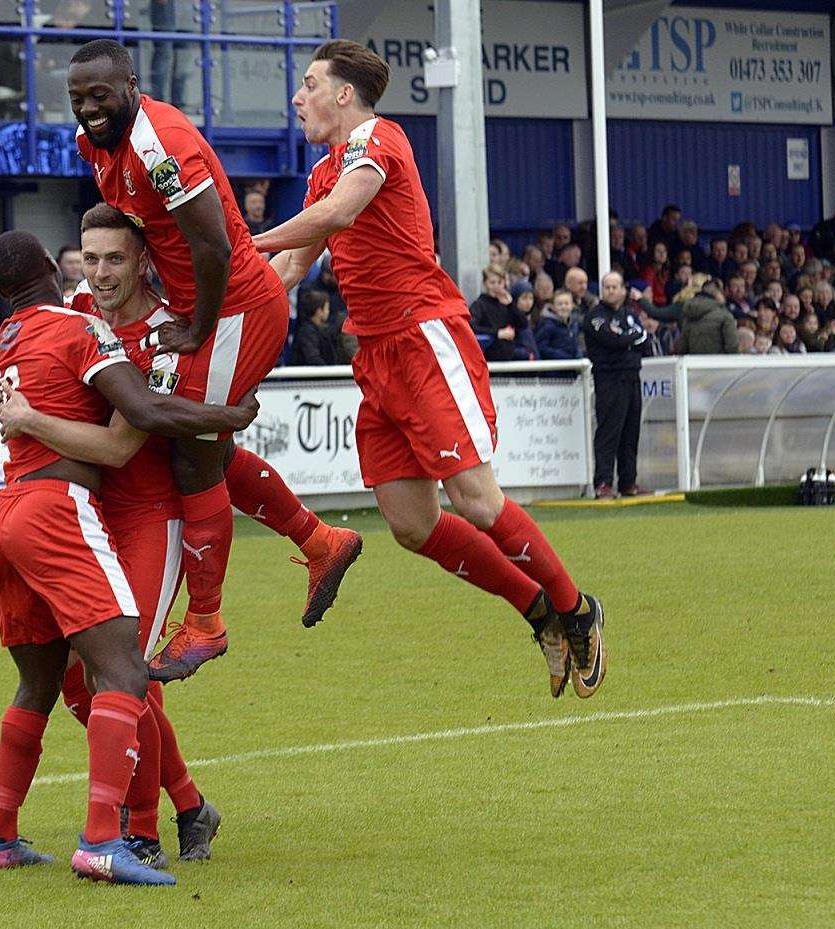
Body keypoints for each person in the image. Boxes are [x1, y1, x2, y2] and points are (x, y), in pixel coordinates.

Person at [257, 40, 606, 700]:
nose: (298, 98)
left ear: (343, 93)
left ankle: (578, 609)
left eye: (308, 85)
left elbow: (340, 214)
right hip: (377, 358)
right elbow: (289, 270)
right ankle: (538, 611)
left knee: (475, 499)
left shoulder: (377, 139)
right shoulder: (321, 173)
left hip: (424, 340)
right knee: (412, 525)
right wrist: (227, 308)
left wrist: (244, 241)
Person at [0, 230, 256, 885]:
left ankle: (0, 835)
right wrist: (227, 413)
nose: (97, 271)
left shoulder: (8, 339)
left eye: (110, 258)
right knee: (126, 670)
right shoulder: (80, 327)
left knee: (45, 682)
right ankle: (111, 837)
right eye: (87, 259)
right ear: (57, 266)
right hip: (60, 509)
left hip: (7, 511)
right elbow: (139, 415)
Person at [70, 40, 358, 681]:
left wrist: (196, 326)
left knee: (193, 456)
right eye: (78, 99)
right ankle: (320, 541)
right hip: (210, 309)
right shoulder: (101, 144)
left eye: (100, 96)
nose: (89, 109)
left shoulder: (160, 145)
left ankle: (206, 624)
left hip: (232, 311)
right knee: (213, 450)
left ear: (132, 86)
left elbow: (217, 245)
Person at [585, 272, 649, 500]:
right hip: (609, 379)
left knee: (631, 431)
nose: (611, 291)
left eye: (615, 287)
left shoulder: (629, 314)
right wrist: (631, 338)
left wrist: (629, 338)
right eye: (607, 287)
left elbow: (646, 342)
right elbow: (612, 341)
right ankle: (603, 482)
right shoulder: (596, 316)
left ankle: (628, 481)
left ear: (623, 289)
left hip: (632, 377)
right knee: (609, 431)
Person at [469, 264, 521, 362]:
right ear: (485, 283)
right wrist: (497, 333)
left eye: (500, 282)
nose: (496, 286)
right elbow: (472, 327)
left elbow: (522, 325)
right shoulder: (479, 305)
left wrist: (511, 305)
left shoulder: (506, 303)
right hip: (490, 359)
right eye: (492, 282)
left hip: (509, 357)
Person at [678, 279, 739, 355]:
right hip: (717, 365)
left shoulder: (689, 314)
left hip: (694, 365)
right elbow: (732, 348)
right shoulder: (725, 316)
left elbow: (682, 348)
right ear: (717, 293)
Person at [289, 287, 339, 365]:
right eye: (327, 308)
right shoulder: (307, 332)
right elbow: (313, 358)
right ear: (319, 311)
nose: (328, 311)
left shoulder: (320, 330)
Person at [535, 289, 580, 360]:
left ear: (572, 306)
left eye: (566, 303)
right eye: (560, 304)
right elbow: (541, 348)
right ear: (553, 307)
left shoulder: (574, 325)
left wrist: (578, 355)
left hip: (572, 366)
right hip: (554, 367)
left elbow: (576, 345)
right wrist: (564, 357)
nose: (563, 307)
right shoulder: (547, 325)